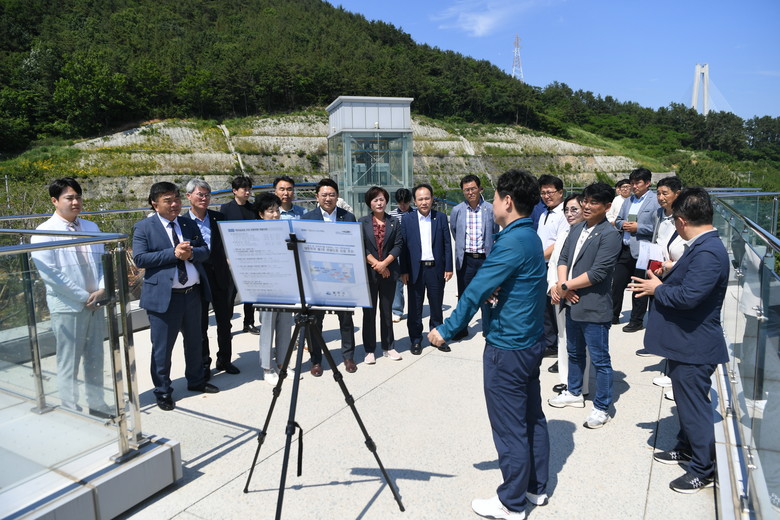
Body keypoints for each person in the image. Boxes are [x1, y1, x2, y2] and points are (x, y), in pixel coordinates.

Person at [428, 168, 549, 520]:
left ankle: (511, 502)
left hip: (507, 348)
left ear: (507, 201)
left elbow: (476, 289)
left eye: (494, 196)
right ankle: (535, 487)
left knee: (510, 427)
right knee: (532, 418)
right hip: (529, 342)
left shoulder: (511, 241)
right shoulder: (530, 236)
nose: (491, 202)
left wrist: (446, 329)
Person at [629, 187, 729, 493]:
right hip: (685, 342)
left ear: (682, 221)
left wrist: (657, 289)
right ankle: (686, 448)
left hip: (695, 345)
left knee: (694, 408)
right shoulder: (703, 246)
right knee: (686, 404)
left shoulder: (708, 252)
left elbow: (688, 297)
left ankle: (703, 468)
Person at [133, 182, 218, 411]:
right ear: (155, 204)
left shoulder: (188, 223)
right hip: (164, 298)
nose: (174, 204)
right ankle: (163, 391)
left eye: (176, 199)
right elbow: (140, 258)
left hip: (192, 295)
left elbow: (205, 251)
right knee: (162, 349)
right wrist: (173, 253)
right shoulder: (144, 227)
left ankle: (196, 380)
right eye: (168, 200)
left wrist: (191, 254)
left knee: (195, 341)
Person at [31, 178, 112, 418]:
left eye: (78, 197)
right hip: (67, 306)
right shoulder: (43, 233)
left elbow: (102, 262)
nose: (75, 202)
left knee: (95, 357)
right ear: (54, 201)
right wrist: (83, 296)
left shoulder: (91, 227)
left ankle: (97, 404)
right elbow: (50, 274)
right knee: (69, 360)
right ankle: (70, 408)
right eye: (69, 198)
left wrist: (102, 288)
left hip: (95, 303)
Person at [548, 182, 621, 429]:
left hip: (593, 307)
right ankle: (574, 391)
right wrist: (563, 286)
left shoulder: (610, 235)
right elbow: (563, 258)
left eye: (593, 202)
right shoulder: (577, 228)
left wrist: (565, 286)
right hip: (571, 302)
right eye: (586, 201)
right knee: (574, 352)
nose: (587, 206)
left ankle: (602, 407)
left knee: (600, 360)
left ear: (607, 206)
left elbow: (598, 273)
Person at [185, 179, 240, 378]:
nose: (204, 198)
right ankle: (204, 364)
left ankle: (224, 359)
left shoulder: (219, 218)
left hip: (220, 276)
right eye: (200, 194)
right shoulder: (183, 222)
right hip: (197, 278)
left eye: (207, 195)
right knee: (200, 325)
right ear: (189, 196)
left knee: (225, 322)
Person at [302, 178, 358, 376]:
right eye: (324, 195)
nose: (328, 198)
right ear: (317, 197)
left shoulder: (348, 217)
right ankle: (316, 360)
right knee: (315, 321)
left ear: (337, 196)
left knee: (346, 318)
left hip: (343, 275)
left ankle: (348, 357)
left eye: (332, 194)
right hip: (317, 276)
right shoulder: (307, 218)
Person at [400, 183, 453, 355]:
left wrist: (448, 267)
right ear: (415, 201)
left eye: (427, 198)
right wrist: (404, 270)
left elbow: (447, 244)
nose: (424, 202)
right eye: (420, 199)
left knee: (436, 306)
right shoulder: (407, 219)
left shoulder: (440, 217)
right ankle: (416, 340)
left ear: (432, 199)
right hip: (415, 270)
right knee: (415, 307)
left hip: (435, 269)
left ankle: (437, 337)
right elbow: (403, 247)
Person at [546, 194, 590, 397]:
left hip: (577, 296)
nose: (569, 214)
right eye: (566, 210)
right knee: (563, 338)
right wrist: (553, 287)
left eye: (574, 209)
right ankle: (566, 380)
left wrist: (567, 288)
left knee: (581, 344)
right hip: (560, 295)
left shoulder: (590, 234)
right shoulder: (564, 234)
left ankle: (582, 385)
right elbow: (554, 263)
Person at [449, 174, 499, 340]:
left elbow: (495, 231)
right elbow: (455, 231)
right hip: (466, 259)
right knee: (464, 295)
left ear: (480, 189)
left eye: (473, 189)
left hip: (485, 259)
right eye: (466, 190)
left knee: (487, 294)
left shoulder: (490, 209)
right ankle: (461, 328)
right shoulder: (457, 210)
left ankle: (488, 328)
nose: (470, 192)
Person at [359, 186, 404, 365]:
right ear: (369, 203)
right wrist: (377, 265)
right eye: (375, 200)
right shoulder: (362, 222)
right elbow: (361, 246)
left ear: (386, 201)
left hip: (389, 273)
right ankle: (369, 350)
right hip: (369, 274)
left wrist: (384, 263)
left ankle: (388, 346)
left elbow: (398, 245)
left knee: (386, 311)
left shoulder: (394, 222)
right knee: (368, 313)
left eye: (382, 199)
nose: (379, 203)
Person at [612, 168, 660, 331]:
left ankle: (636, 320)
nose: (634, 186)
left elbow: (657, 227)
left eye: (638, 183)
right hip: (625, 248)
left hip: (643, 250)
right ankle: (613, 315)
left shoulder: (654, 201)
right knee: (617, 283)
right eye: (632, 183)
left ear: (647, 183)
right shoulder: (629, 200)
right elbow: (618, 219)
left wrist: (639, 227)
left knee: (639, 286)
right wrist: (622, 224)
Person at [254, 192, 292, 385]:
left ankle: (283, 363)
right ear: (261, 214)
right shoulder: (255, 234)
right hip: (266, 287)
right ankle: (267, 367)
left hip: (285, 285)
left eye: (277, 210)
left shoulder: (286, 231)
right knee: (267, 326)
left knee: (285, 325)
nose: (275, 214)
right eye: (270, 211)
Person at [220, 175, 260, 335]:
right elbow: (222, 234)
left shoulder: (253, 209)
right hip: (233, 257)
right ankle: (226, 324)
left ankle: (249, 322)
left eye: (249, 189)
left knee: (250, 293)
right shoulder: (226, 209)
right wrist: (226, 256)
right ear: (234, 191)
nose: (247, 192)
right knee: (230, 293)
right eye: (244, 189)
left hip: (250, 257)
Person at [536, 174, 569, 356]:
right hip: (542, 265)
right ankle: (550, 342)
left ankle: (558, 345)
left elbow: (559, 244)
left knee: (555, 306)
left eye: (550, 192)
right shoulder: (544, 213)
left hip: (555, 266)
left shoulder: (565, 214)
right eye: (543, 193)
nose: (546, 196)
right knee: (545, 307)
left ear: (560, 192)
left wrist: (537, 257)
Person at [388, 188, 414, 323]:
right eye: (400, 203)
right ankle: (397, 310)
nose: (403, 206)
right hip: (398, 252)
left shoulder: (416, 213)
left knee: (414, 281)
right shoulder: (391, 215)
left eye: (406, 203)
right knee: (398, 281)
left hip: (413, 253)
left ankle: (415, 309)